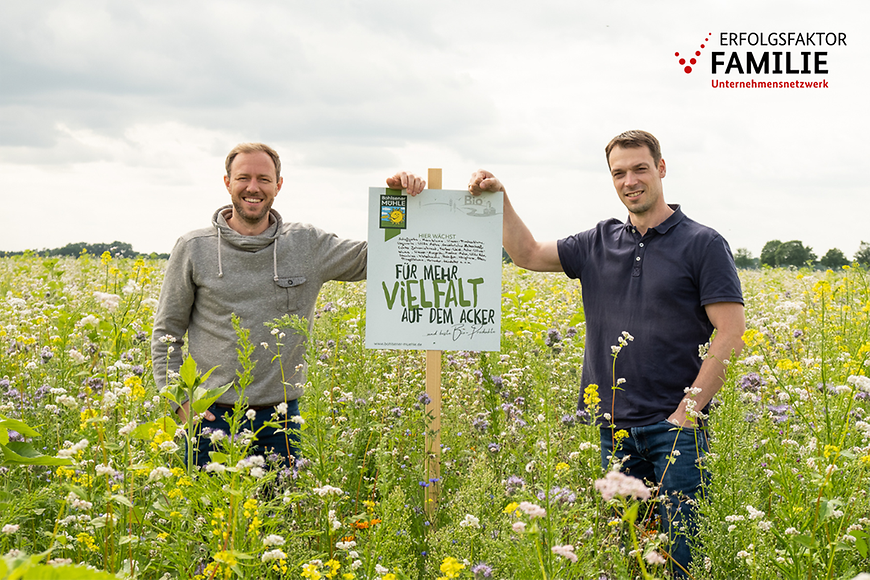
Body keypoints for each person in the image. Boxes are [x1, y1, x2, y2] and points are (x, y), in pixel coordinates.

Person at [468, 130, 745, 576]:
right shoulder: (598, 241)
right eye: (619, 173)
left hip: (675, 432)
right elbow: (527, 254)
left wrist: (686, 413)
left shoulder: (702, 243)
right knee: (627, 556)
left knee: (683, 558)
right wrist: (501, 199)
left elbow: (731, 333)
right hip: (612, 430)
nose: (629, 181)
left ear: (661, 168)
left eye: (639, 169)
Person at [151, 142, 424, 467]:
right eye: (244, 178)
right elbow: (166, 333)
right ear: (227, 182)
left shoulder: (306, 244)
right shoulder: (193, 249)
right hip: (211, 418)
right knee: (209, 516)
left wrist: (395, 202)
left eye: (264, 179)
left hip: (279, 419)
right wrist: (180, 400)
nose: (253, 188)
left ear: (278, 185)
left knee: (278, 515)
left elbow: (378, 258)